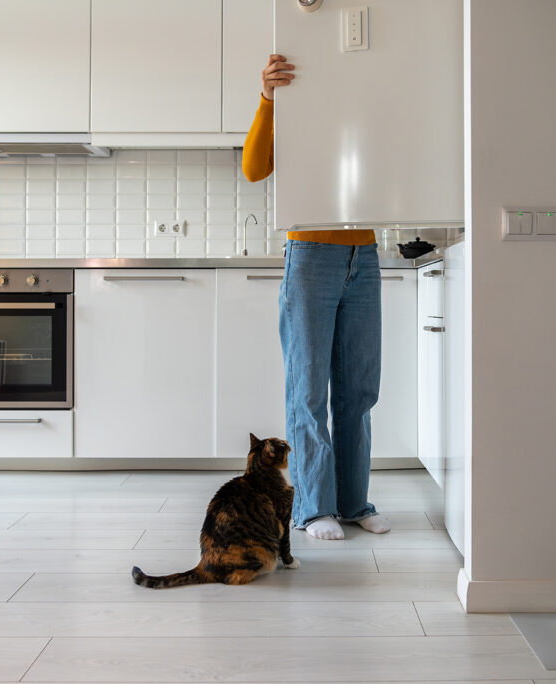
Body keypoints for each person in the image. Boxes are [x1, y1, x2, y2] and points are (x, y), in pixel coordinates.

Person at [241, 54, 390, 540]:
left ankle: (352, 503)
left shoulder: (362, 117)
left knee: (359, 392)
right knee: (308, 390)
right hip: (309, 254)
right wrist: (268, 99)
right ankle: (311, 507)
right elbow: (251, 169)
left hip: (363, 255)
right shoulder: (296, 109)